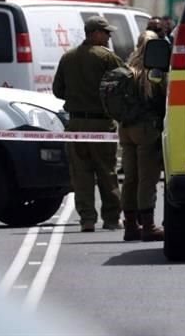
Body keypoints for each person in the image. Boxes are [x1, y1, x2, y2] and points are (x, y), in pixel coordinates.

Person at [52, 16, 124, 232]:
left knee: (81, 175)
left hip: (75, 125)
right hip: (101, 124)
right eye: (106, 33)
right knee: (106, 172)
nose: (109, 37)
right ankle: (111, 218)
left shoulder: (68, 57)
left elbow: (58, 90)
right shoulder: (107, 57)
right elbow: (124, 83)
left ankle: (87, 220)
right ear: (94, 33)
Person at [119, 30, 166, 242]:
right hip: (146, 130)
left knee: (130, 179)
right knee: (147, 179)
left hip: (125, 129)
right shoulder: (153, 71)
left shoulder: (127, 68)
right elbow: (164, 99)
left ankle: (130, 225)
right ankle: (148, 226)